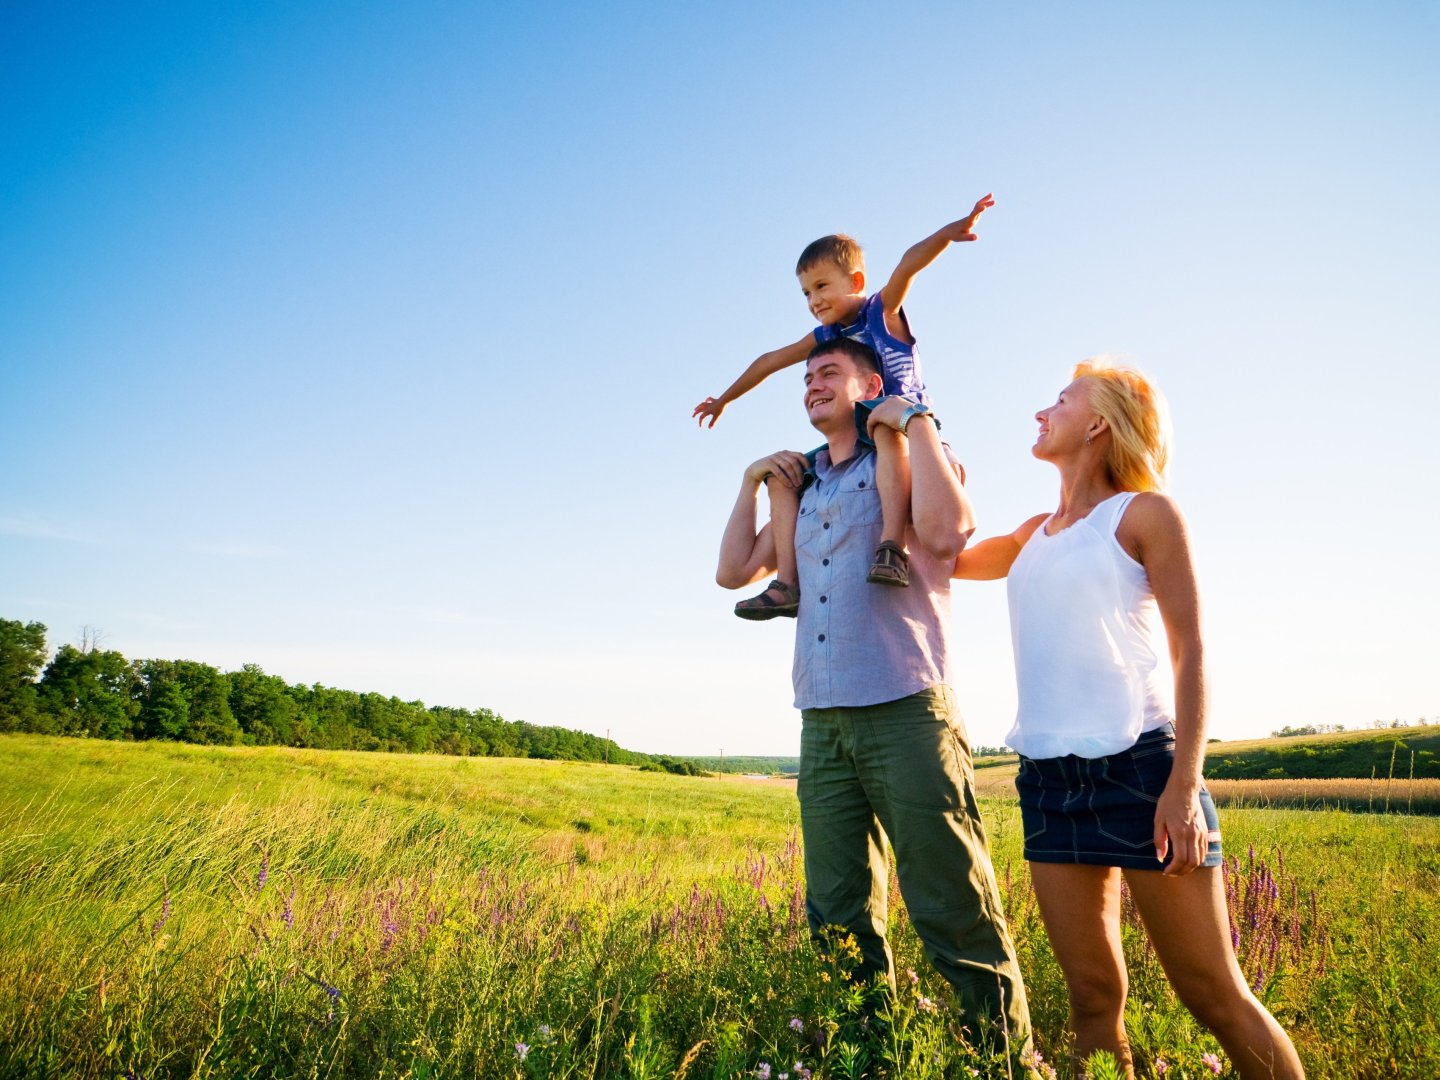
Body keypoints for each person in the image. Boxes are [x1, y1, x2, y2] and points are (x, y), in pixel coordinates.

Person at [951, 359, 1305, 1079]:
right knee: (1091, 997)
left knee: (1212, 993)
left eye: (1059, 400)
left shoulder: (1144, 515)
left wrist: (1183, 785)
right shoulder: (1031, 535)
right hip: (1049, 783)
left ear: (1099, 424)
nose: (1040, 411)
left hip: (1143, 772)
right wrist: (924, 454)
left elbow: (1192, 650)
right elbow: (941, 556)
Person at [715, 337, 1032, 1056]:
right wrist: (749, 482)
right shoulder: (807, 487)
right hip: (821, 721)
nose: (810, 385)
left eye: (827, 372)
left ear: (868, 384)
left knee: (953, 904)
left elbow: (951, 533)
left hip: (906, 708)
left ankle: (1003, 1064)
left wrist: (914, 420)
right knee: (836, 914)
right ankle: (866, 1060)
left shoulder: (908, 458)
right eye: (805, 379)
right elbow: (732, 570)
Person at [696, 195, 995, 618]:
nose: (813, 300)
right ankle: (788, 584)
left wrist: (948, 233)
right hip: (856, 438)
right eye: (805, 293)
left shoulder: (880, 312)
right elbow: (770, 360)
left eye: (821, 287)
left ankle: (891, 545)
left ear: (855, 282)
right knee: (785, 476)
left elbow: (907, 264)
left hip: (902, 425)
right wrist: (725, 398)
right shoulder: (826, 336)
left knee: (883, 427)